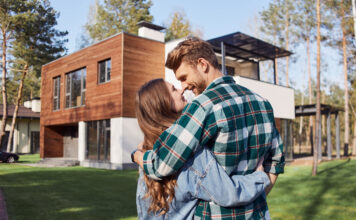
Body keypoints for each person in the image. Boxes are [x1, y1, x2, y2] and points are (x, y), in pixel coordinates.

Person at [133, 37, 285, 219]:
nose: (184, 87)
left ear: (202, 64)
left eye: (184, 77)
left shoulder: (202, 106)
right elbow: (275, 163)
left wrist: (136, 155)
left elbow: (161, 165)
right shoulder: (263, 103)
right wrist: (255, 196)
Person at [134, 78, 271, 219]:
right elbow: (227, 193)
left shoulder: (146, 152)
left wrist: (135, 155)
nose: (182, 89)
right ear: (162, 104)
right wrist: (259, 177)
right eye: (174, 89)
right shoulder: (192, 154)